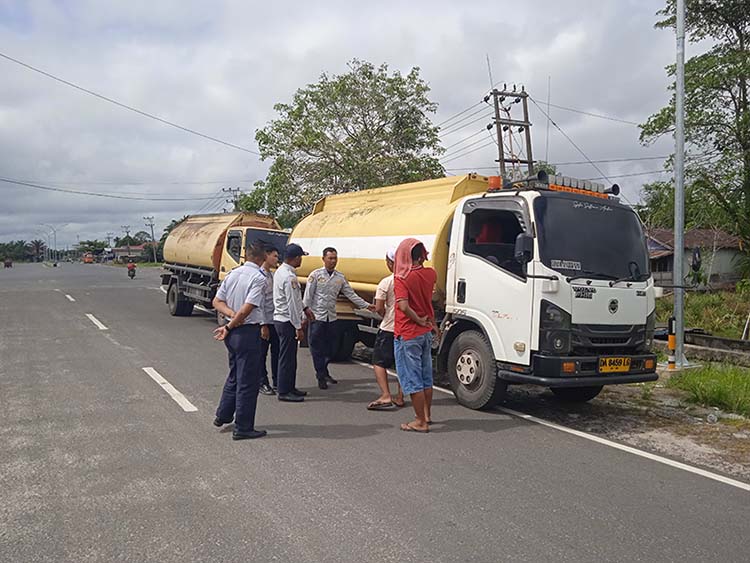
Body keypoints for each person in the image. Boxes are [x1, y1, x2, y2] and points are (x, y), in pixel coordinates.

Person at [211, 243, 271, 440]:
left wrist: (229, 318)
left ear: (246, 256)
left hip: (233, 333)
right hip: (245, 332)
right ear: (261, 258)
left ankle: (223, 414)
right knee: (248, 382)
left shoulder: (233, 274)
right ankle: (243, 427)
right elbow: (247, 309)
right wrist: (232, 323)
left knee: (235, 374)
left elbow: (217, 302)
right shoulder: (258, 278)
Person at [303, 247, 373, 389]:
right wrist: (304, 315)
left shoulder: (339, 277)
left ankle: (324, 369)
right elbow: (308, 296)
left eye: (335, 258)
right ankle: (320, 375)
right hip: (317, 316)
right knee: (317, 347)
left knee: (331, 347)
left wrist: (366, 305)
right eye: (330, 258)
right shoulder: (315, 275)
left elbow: (350, 294)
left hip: (332, 317)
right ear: (323, 259)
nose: (333, 261)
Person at [393, 238, 438, 433]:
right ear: (422, 255)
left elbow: (403, 305)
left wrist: (417, 319)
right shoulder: (431, 274)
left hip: (408, 332)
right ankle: (427, 414)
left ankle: (420, 421)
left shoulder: (401, 278)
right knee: (426, 377)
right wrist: (425, 322)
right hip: (426, 332)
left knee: (412, 379)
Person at [273, 243, 311, 402]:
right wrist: (298, 326)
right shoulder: (289, 277)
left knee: (290, 357)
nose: (301, 260)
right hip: (287, 320)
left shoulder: (281, 272)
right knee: (286, 358)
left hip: (284, 319)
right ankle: (283, 390)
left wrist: (305, 308)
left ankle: (290, 386)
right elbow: (292, 303)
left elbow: (296, 300)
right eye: (300, 257)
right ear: (295, 258)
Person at [367, 248, 404, 410]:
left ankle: (385, 395)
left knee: (379, 362)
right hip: (406, 328)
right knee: (402, 363)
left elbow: (380, 307)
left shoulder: (386, 282)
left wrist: (385, 315)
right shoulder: (408, 280)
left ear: (389, 263)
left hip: (389, 327)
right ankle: (401, 396)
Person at [259, 246, 280, 396]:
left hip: (275, 320)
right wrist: (263, 324)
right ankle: (262, 382)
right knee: (261, 354)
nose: (276, 259)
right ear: (266, 256)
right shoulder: (259, 276)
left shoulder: (272, 275)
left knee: (276, 352)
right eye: (274, 256)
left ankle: (277, 381)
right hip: (264, 321)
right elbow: (258, 303)